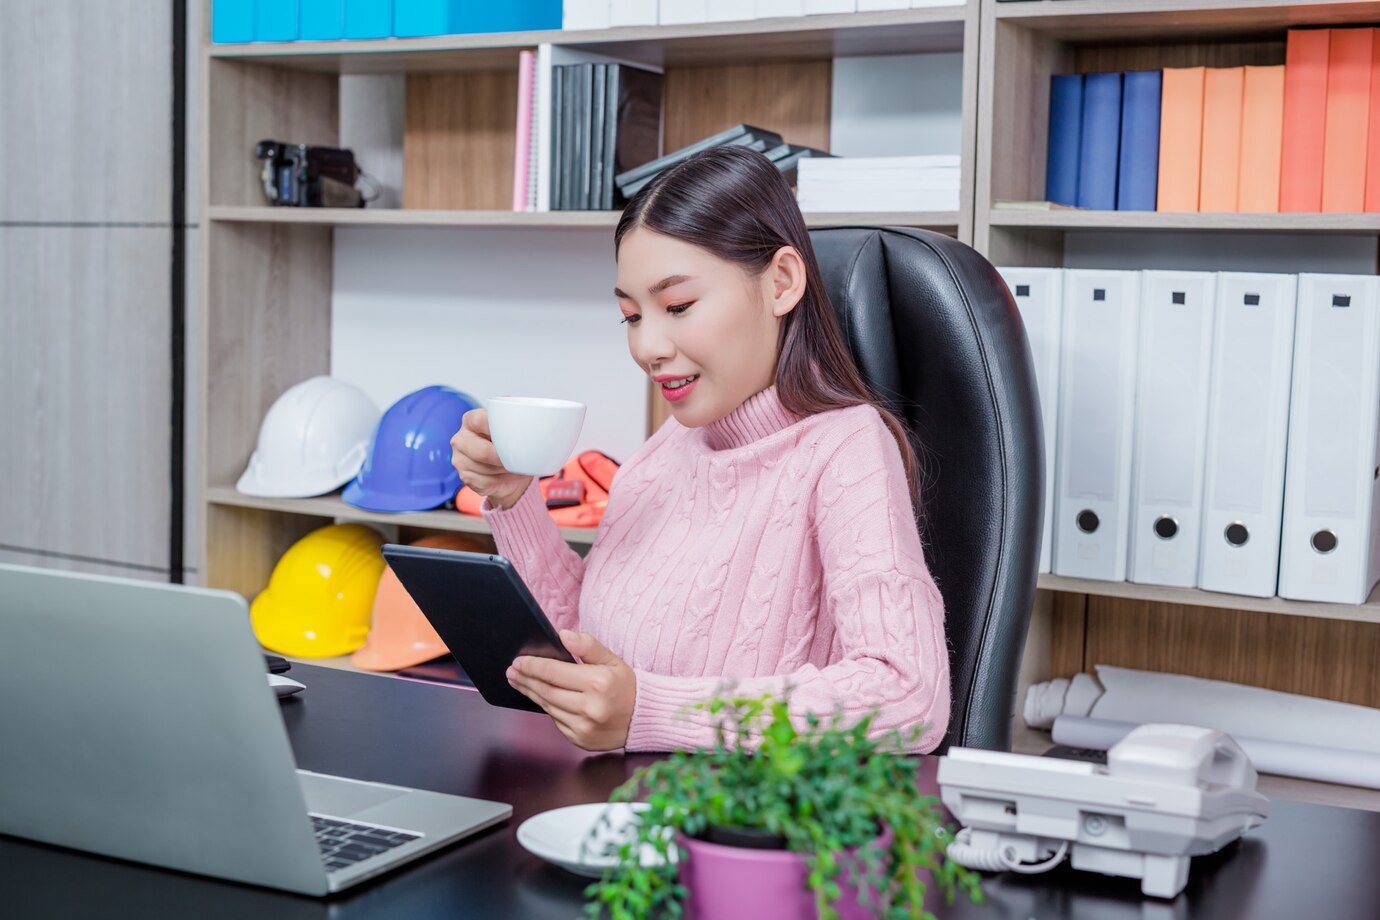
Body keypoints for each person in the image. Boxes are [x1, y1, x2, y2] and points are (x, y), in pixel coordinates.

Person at [450, 145, 949, 754]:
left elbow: (908, 695)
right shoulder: (665, 451)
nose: (648, 347)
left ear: (782, 283)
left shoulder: (846, 448)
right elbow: (585, 654)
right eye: (631, 316)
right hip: (628, 811)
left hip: (741, 831)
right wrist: (515, 500)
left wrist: (650, 710)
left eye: (678, 306)